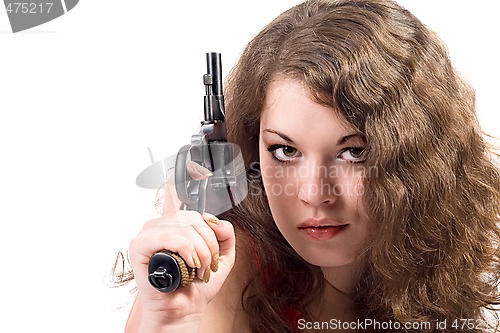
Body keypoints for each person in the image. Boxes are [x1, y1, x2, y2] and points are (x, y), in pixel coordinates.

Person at [114, 0, 500, 332]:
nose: (314, 193)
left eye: (354, 152)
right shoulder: (221, 271)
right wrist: (173, 320)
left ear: (418, 158)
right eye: (284, 151)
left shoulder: (434, 261)